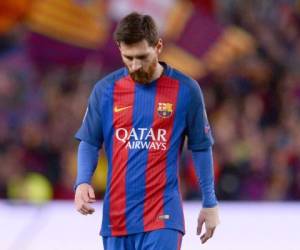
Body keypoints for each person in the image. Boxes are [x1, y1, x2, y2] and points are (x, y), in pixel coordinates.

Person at [74, 12, 220, 250]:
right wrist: (82, 182)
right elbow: (89, 142)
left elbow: (201, 147)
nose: (135, 65)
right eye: (128, 57)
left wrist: (210, 202)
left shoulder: (186, 90)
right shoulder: (105, 91)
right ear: (119, 49)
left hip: (163, 217)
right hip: (116, 219)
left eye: (142, 57)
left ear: (158, 46)